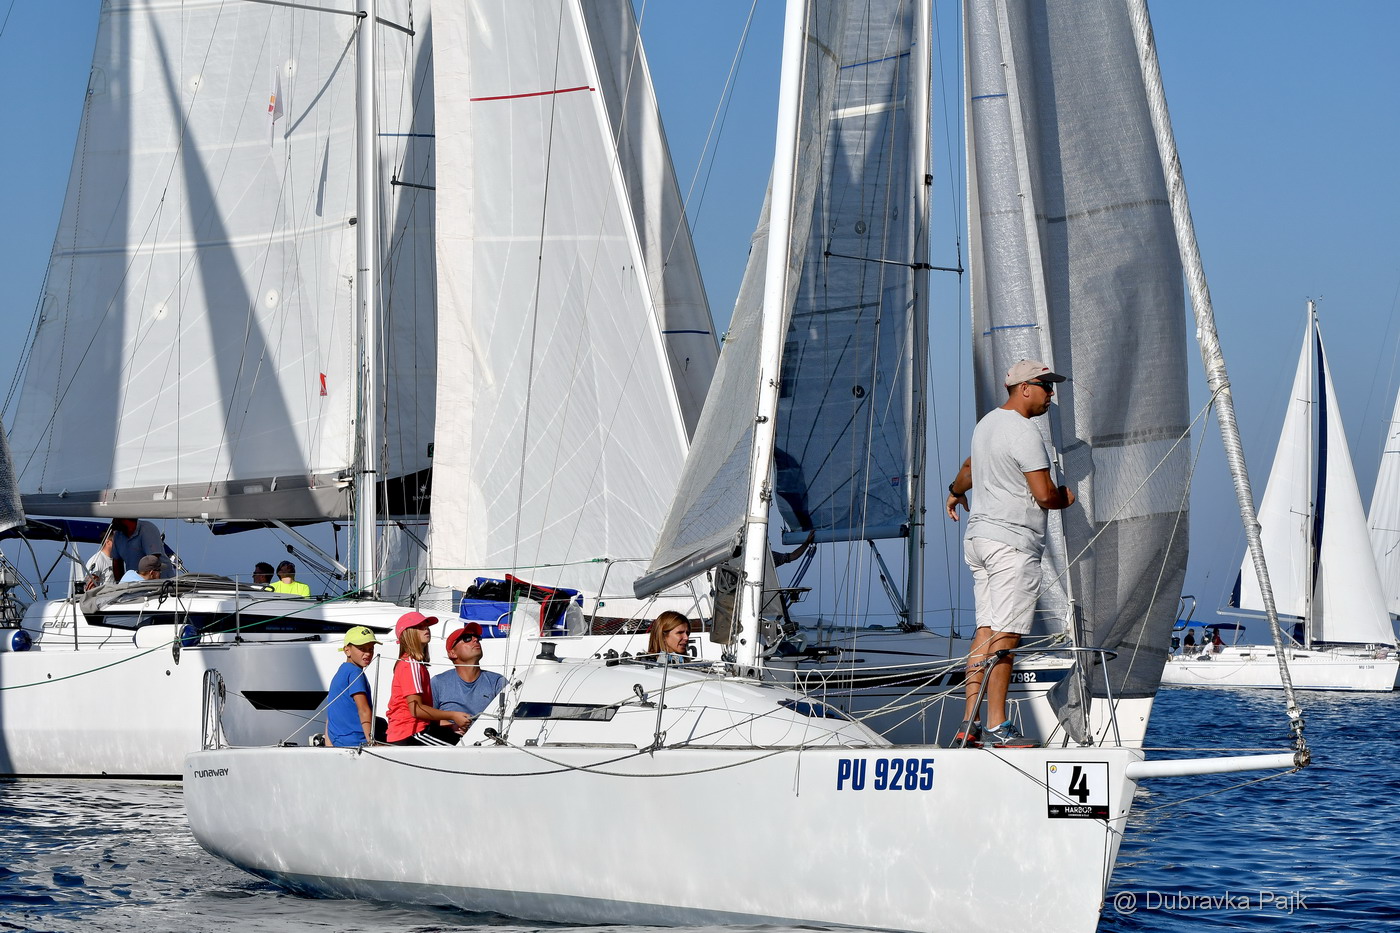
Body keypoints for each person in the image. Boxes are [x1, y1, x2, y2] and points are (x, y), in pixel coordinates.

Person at [946, 359, 1075, 749]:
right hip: (1011, 546)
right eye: (1045, 386)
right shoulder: (1024, 431)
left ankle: (969, 724)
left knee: (985, 630)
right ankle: (998, 726)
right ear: (1024, 388)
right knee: (1006, 634)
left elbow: (969, 468)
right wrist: (1067, 497)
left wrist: (954, 492)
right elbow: (1044, 495)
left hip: (979, 540)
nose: (1051, 394)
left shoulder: (986, 424)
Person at [385, 610, 470, 745]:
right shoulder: (410, 664)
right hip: (409, 733)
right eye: (420, 627)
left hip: (411, 731)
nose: (426, 629)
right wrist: (453, 715)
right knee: (461, 747)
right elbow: (416, 709)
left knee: (463, 742)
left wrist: (450, 725)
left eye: (426, 626)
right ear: (408, 634)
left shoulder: (414, 664)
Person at [430, 623, 506, 733]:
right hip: (450, 741)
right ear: (452, 653)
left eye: (477, 637)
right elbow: (427, 718)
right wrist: (451, 727)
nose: (475, 640)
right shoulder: (438, 683)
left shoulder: (497, 682)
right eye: (467, 638)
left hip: (487, 740)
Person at [326, 626, 381, 747]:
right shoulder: (355, 672)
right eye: (362, 649)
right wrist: (371, 742)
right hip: (356, 741)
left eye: (371, 649)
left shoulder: (341, 671)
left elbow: (330, 712)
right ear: (347, 650)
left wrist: (328, 744)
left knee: (381, 723)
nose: (368, 653)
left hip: (338, 740)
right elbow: (363, 710)